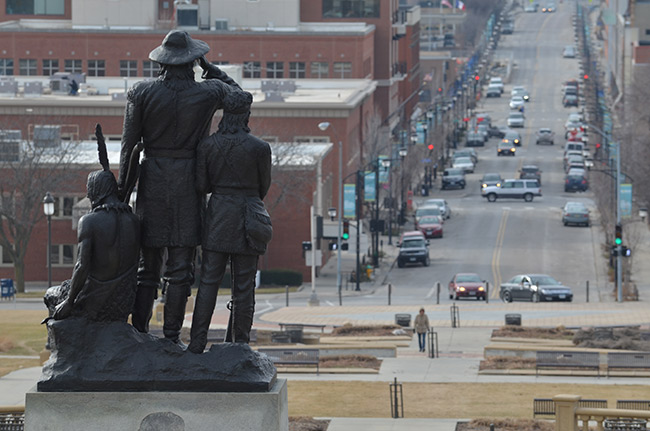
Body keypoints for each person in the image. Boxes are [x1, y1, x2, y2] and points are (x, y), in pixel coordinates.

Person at [117, 30, 245, 345]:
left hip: (153, 180)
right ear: (191, 61)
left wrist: (122, 192)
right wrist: (212, 69)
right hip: (190, 180)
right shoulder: (210, 91)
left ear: (162, 61)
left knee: (148, 267)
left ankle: (140, 334)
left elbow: (129, 146)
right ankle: (172, 337)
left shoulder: (141, 92)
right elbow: (242, 100)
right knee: (180, 269)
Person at [188, 91, 272, 353]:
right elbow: (263, 187)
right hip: (249, 216)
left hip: (219, 217)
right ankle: (241, 343)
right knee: (244, 285)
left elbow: (201, 185)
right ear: (246, 114)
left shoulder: (207, 146)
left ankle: (197, 341)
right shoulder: (260, 148)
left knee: (209, 282)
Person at [45, 125, 140, 324]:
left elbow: (82, 266)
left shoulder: (89, 221)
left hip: (96, 302)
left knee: (51, 294)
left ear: (96, 192)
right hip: (124, 302)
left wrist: (70, 301)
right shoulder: (133, 221)